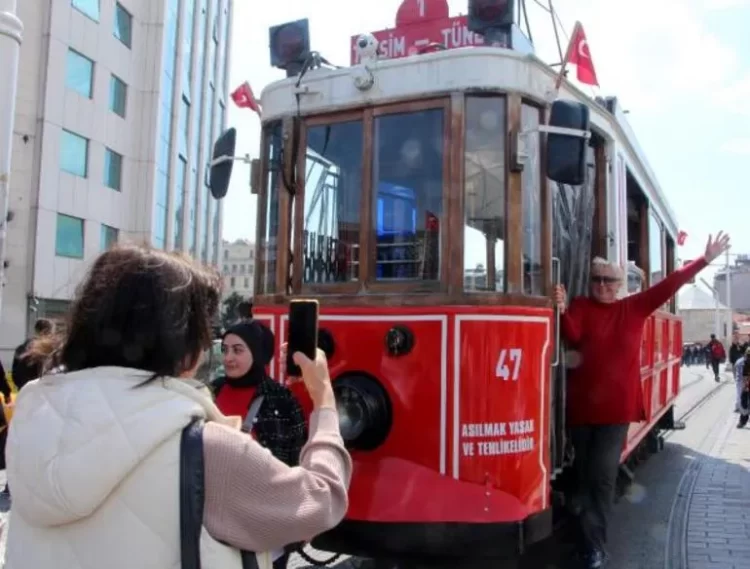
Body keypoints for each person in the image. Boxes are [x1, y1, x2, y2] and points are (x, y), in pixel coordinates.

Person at [4, 244, 352, 569]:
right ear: (184, 345)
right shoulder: (205, 447)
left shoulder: (32, 415)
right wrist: (323, 399)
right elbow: (321, 502)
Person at [553, 231, 730, 569]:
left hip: (615, 411)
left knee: (602, 478)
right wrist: (561, 309)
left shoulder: (634, 307)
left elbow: (672, 283)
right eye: (596, 279)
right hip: (581, 410)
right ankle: (585, 541)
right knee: (584, 477)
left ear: (619, 284)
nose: (602, 284)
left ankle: (595, 548)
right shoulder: (579, 306)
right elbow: (572, 336)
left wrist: (704, 260)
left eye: (609, 280)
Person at [11, 318, 53, 391]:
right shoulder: (48, 351)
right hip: (42, 392)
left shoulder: (21, 348)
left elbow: (15, 373)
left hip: (24, 390)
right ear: (48, 332)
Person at [733, 346, 750, 428]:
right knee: (744, 404)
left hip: (745, 386)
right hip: (745, 386)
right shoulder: (740, 362)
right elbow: (736, 372)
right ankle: (742, 421)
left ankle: (743, 420)